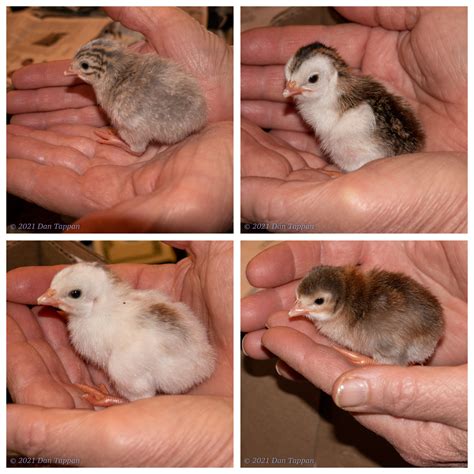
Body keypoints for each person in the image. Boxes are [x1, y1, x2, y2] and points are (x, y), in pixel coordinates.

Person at [241, 7, 466, 233]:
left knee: (351, 127)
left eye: (312, 79)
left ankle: (358, 169)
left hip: (381, 153)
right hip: (401, 151)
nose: (291, 87)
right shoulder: (332, 100)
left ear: (333, 78)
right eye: (289, 78)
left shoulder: (353, 113)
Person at [7, 242, 233, 467]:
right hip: (192, 354)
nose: (45, 298)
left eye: (73, 294)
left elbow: (140, 350)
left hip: (179, 369)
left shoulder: (109, 330)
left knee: (124, 362)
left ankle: (128, 400)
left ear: (96, 301)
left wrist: (122, 399)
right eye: (53, 290)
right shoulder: (131, 303)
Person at [7, 7, 233, 232]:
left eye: (83, 68)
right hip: (193, 112)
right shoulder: (144, 64)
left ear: (102, 73)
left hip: (173, 124)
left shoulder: (115, 94)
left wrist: (123, 138)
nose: (71, 72)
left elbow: (141, 114)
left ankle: (134, 147)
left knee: (125, 115)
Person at [241, 241, 467, 466]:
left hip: (413, 338)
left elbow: (391, 339)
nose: (298, 308)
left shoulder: (360, 318)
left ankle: (383, 364)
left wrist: (382, 365)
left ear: (338, 303)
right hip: (424, 325)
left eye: (317, 302)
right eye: (300, 299)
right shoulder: (358, 299)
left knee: (385, 337)